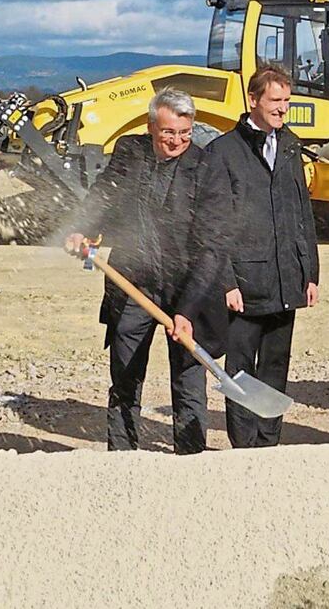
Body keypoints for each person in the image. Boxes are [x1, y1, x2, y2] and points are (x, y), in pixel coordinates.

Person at [66, 89, 221, 454]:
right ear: (152, 126)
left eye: (185, 133)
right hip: (132, 282)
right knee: (124, 374)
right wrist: (84, 229)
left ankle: (190, 456)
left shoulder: (204, 166)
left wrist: (187, 311)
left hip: (185, 290)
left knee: (188, 379)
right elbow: (103, 195)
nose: (178, 141)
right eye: (169, 133)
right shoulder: (130, 151)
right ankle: (122, 456)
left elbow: (212, 245)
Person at [200, 63, 319, 448]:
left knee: (275, 367)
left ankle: (269, 445)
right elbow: (212, 225)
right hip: (243, 287)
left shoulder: (290, 145)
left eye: (286, 101)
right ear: (253, 99)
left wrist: (310, 272)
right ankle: (244, 447)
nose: (283, 109)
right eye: (275, 101)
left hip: (286, 280)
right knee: (240, 372)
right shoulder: (222, 152)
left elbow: (302, 212)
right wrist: (227, 282)